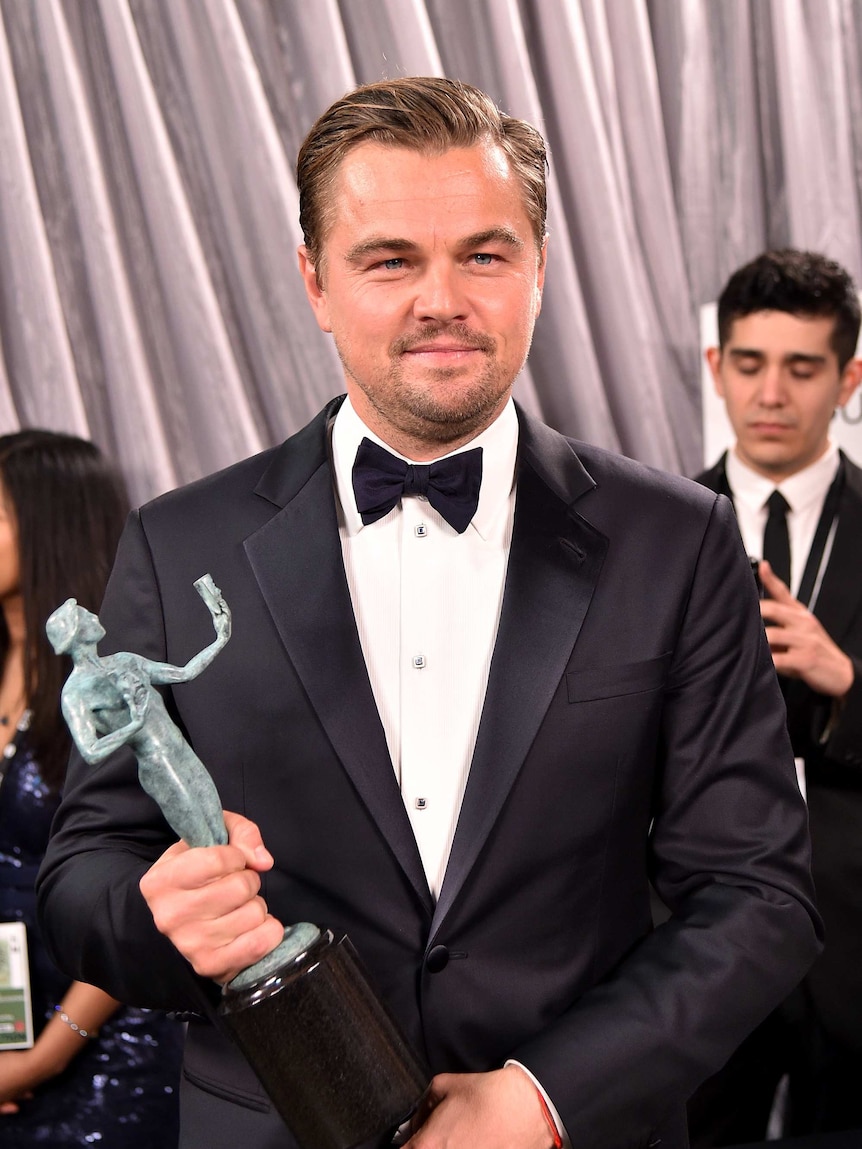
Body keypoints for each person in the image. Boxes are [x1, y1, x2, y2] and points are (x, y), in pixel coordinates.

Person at [36, 79, 821, 1149]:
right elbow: (83, 874)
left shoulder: (678, 541)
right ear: (314, 282)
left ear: (537, 271)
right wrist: (157, 916)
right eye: (389, 259)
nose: (440, 299)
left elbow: (758, 897)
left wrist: (545, 1097)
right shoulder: (180, 544)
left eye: (484, 255)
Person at [689, 249, 862, 1144]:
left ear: (848, 379)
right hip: (694, 937)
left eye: (801, 369)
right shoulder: (649, 528)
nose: (771, 393)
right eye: (749, 364)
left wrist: (848, 684)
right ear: (716, 369)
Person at [0, 430, 185, 1146]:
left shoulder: (110, 681)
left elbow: (139, 871)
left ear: (52, 527)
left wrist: (45, 1054)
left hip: (106, 1044)